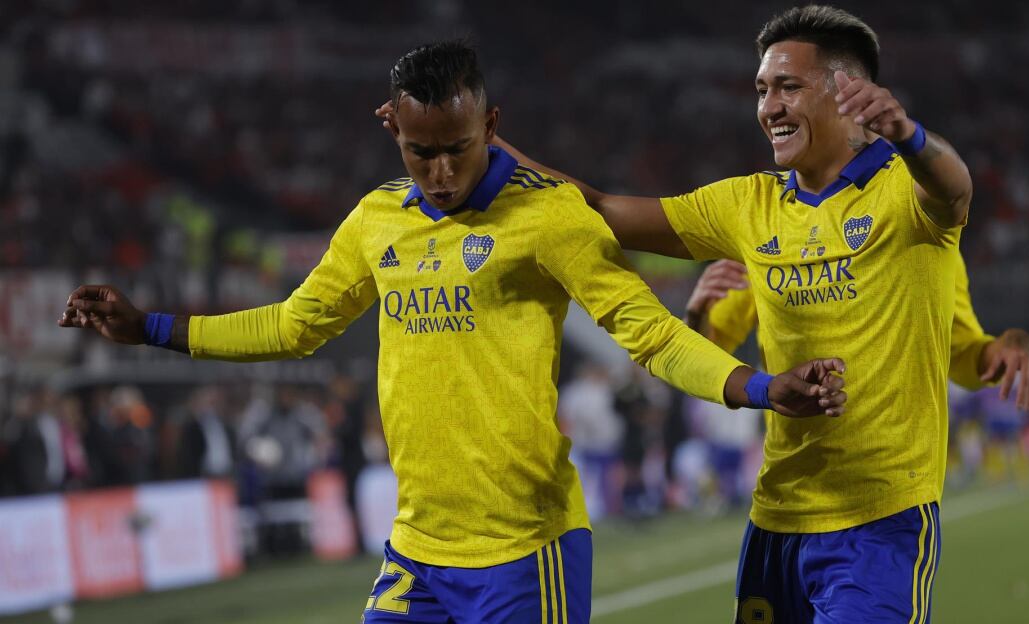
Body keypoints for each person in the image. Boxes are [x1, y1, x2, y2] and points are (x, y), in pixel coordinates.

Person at [60, 41, 847, 624]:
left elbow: (648, 333)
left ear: (492, 125)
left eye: (457, 150)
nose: (439, 173)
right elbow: (295, 325)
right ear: (394, 133)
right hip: (418, 551)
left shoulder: (549, 217)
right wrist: (152, 328)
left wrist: (758, 389)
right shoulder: (376, 220)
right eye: (419, 153)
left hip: (523, 550)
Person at [491, 5, 980, 621]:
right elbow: (596, 208)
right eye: (761, 89)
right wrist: (480, 146)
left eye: (788, 87)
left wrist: (909, 135)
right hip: (776, 517)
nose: (768, 107)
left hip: (879, 522)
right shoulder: (746, 204)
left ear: (848, 93)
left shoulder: (903, 194)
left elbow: (955, 186)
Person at [685, 256, 1029, 410]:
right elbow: (709, 359)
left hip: (891, 494)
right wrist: (697, 314)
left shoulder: (924, 234)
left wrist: (1008, 346)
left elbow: (964, 354)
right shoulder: (767, 235)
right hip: (787, 490)